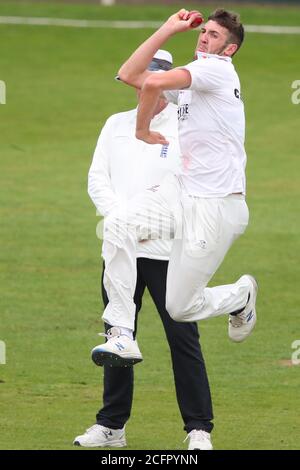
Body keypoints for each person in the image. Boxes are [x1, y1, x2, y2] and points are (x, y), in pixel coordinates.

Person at [93, 9, 258, 378]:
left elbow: (150, 86)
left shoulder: (215, 71)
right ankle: (121, 333)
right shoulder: (193, 77)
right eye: (205, 32)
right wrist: (168, 28)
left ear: (229, 50)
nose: (205, 38)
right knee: (117, 225)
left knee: (181, 308)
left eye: (215, 36)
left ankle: (241, 295)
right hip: (181, 191)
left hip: (217, 205)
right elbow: (131, 75)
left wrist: (141, 131)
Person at [74, 51, 214, 450]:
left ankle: (198, 428)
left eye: (157, 80)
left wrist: (143, 228)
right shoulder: (115, 125)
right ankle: (111, 427)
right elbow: (97, 180)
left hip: (168, 251)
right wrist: (124, 225)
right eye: (143, 80)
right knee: (118, 336)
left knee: (183, 340)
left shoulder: (182, 129)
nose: (148, 87)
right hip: (122, 252)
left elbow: (183, 191)